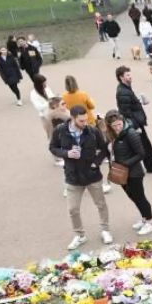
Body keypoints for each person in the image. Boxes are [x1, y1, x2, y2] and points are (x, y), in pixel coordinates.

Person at [50, 105, 112, 249]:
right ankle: (79, 235)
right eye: (81, 121)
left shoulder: (92, 130)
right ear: (72, 118)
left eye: (85, 120)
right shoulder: (60, 131)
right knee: (73, 209)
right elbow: (52, 147)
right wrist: (66, 154)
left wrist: (96, 164)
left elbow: (103, 149)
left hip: (92, 175)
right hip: (73, 176)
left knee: (101, 204)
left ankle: (105, 230)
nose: (85, 123)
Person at [104, 111, 152, 236]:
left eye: (119, 124)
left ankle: (150, 222)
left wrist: (125, 164)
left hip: (134, 173)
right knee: (132, 196)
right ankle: (144, 218)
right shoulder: (111, 135)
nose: (117, 127)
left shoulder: (131, 134)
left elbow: (141, 154)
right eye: (114, 125)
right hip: (121, 172)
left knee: (140, 197)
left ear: (122, 121)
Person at [115, 66, 152, 174]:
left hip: (135, 123)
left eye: (130, 74)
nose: (130, 77)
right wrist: (136, 126)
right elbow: (126, 111)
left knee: (142, 146)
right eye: (127, 75)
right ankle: (150, 167)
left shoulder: (125, 89)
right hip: (135, 124)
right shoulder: (123, 91)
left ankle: (148, 166)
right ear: (121, 77)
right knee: (144, 146)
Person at [30, 74, 59, 139]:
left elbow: (51, 96)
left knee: (59, 131)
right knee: (51, 135)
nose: (45, 84)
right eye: (43, 83)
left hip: (55, 113)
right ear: (38, 84)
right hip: (45, 117)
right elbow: (38, 107)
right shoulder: (33, 94)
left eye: (45, 82)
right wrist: (48, 103)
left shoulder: (47, 88)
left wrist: (55, 98)